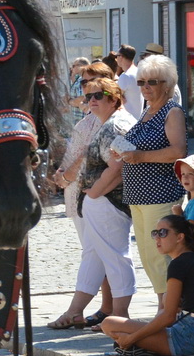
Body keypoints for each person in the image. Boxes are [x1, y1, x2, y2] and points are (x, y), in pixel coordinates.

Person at [52, 77, 137, 327]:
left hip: (110, 203)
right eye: (88, 97)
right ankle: (75, 311)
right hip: (100, 202)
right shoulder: (107, 123)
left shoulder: (116, 125)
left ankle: (120, 315)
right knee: (93, 256)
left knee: (115, 256)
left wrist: (96, 192)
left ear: (114, 98)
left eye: (98, 96)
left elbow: (120, 165)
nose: (91, 101)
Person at [97, 213, 194, 356]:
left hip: (190, 339)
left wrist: (131, 338)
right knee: (165, 298)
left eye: (163, 233)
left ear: (180, 237)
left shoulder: (179, 264)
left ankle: (139, 346)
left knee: (109, 323)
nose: (157, 238)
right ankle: (143, 347)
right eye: (155, 233)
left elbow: (168, 316)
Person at [109, 54, 185, 295]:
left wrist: (139, 156)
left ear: (167, 84)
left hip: (160, 194)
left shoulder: (171, 111)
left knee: (160, 256)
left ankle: (170, 309)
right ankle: (163, 306)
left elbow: (178, 151)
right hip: (139, 196)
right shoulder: (148, 110)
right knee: (148, 255)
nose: (145, 88)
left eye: (152, 82)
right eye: (141, 82)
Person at [47, 63, 115, 327]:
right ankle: (106, 307)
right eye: (86, 85)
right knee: (96, 253)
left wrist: (66, 175)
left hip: (93, 194)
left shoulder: (107, 121)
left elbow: (89, 157)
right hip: (76, 194)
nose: (89, 91)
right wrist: (61, 173)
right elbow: (74, 152)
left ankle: (82, 309)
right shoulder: (88, 119)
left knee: (98, 253)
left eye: (95, 83)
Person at [113, 45, 140, 117]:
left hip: (127, 119)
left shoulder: (126, 76)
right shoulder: (138, 72)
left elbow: (115, 97)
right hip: (137, 117)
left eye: (117, 56)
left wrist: (105, 92)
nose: (116, 59)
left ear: (121, 57)